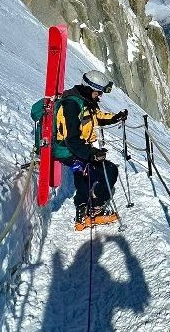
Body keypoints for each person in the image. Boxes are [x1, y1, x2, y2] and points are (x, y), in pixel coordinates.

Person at [52, 70, 129, 230]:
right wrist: (91, 153)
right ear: (89, 88)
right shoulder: (72, 105)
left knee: (85, 171)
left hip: (77, 148)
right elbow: (72, 140)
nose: (100, 95)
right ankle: (91, 210)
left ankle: (84, 210)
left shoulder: (85, 101)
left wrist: (115, 117)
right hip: (69, 150)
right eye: (98, 92)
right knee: (106, 171)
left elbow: (97, 117)